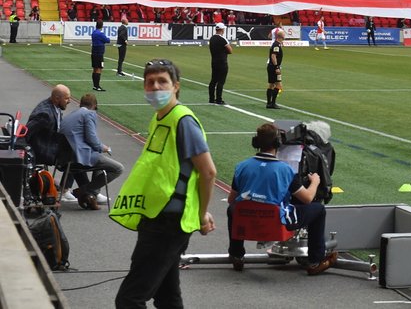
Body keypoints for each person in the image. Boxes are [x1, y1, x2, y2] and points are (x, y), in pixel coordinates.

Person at [111, 59, 216, 309]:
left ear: (176, 86)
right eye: (150, 83)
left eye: (162, 82)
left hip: (168, 224)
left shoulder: (183, 121)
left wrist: (201, 214)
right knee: (167, 297)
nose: (155, 88)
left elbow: (208, 172)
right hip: (157, 218)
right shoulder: (160, 118)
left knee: (129, 299)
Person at [227, 123, 338, 275]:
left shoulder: (242, 166)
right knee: (318, 210)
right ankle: (315, 261)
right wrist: (315, 182)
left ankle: (236, 254)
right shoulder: (285, 170)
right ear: (278, 143)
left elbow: (231, 199)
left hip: (247, 219)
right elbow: (307, 198)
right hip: (275, 222)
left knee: (232, 209)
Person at [60, 92, 124, 210]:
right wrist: (105, 148)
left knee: (99, 159)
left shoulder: (72, 114)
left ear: (81, 104)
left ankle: (91, 194)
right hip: (79, 157)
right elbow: (92, 140)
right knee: (118, 168)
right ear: (94, 105)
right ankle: (87, 191)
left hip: (65, 158)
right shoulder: (89, 114)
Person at [25, 84, 72, 166]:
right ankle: (83, 179)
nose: (69, 101)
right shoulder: (45, 115)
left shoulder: (54, 106)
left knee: (76, 154)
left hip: (49, 144)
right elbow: (27, 132)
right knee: (77, 158)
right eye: (66, 98)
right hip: (43, 151)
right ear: (57, 98)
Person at [208, 23, 232, 105]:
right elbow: (230, 50)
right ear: (222, 29)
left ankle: (211, 98)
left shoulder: (212, 38)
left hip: (214, 62)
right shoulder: (223, 39)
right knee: (221, 81)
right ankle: (219, 99)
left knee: (213, 81)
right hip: (222, 62)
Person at [266, 29, 284, 109]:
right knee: (278, 85)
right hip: (274, 67)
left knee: (271, 85)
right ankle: (272, 103)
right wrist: (277, 67)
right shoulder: (276, 45)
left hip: (271, 67)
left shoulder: (277, 44)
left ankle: (269, 103)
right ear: (281, 37)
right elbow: (273, 56)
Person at [90, 19, 110, 91]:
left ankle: (94, 85)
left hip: (94, 52)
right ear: (102, 26)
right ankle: (97, 86)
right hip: (99, 53)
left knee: (94, 68)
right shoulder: (101, 34)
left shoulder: (94, 32)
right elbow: (107, 40)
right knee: (99, 69)